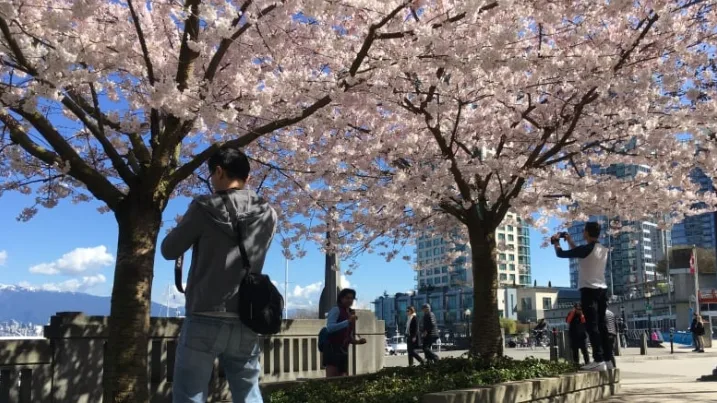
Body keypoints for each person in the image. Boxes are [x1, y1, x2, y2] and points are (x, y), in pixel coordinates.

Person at [161, 146, 278, 403]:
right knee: (248, 391)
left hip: (205, 313)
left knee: (190, 393)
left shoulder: (204, 207)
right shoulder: (269, 213)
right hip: (247, 314)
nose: (211, 180)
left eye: (212, 175)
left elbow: (169, 250)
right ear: (248, 177)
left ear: (218, 170)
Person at [552, 223, 610, 371]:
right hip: (602, 289)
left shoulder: (586, 249)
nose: (583, 232)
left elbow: (560, 254)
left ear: (586, 233)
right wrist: (570, 241)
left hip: (589, 289)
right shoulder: (603, 249)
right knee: (602, 325)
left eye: (584, 230)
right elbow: (581, 253)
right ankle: (607, 359)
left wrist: (556, 242)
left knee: (592, 325)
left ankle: (598, 359)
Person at [324, 288, 367, 377]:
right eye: (347, 298)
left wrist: (358, 342)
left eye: (352, 298)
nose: (350, 300)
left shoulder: (350, 313)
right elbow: (330, 328)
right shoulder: (336, 310)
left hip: (343, 350)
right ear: (341, 298)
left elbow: (347, 336)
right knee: (332, 379)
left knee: (343, 378)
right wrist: (348, 321)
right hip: (332, 349)